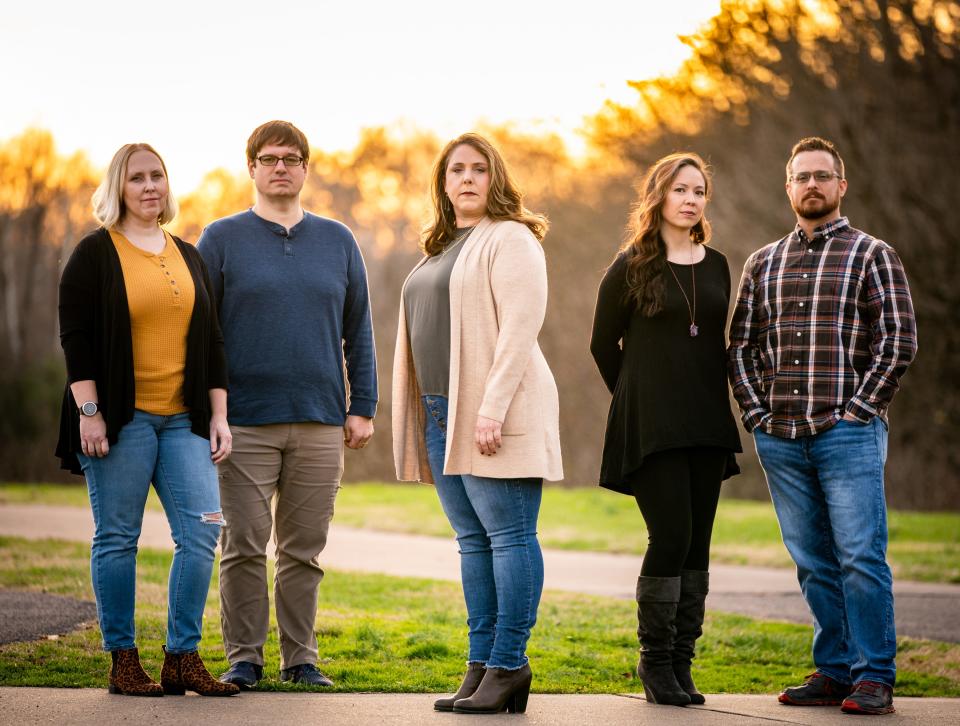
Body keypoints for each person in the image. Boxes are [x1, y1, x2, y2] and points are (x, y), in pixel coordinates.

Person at [728, 137, 917, 716]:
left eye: (822, 176)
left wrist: (860, 411)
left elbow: (899, 341)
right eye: (801, 177)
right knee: (812, 560)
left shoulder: (872, 254)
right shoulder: (763, 262)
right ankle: (835, 669)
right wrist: (757, 415)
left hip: (847, 434)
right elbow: (739, 346)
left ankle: (873, 676)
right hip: (780, 438)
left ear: (841, 186)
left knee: (860, 555)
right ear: (787, 188)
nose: (811, 185)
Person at [198, 120, 377, 690]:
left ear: (305, 168)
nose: (281, 167)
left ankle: (301, 658)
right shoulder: (221, 239)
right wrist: (209, 412)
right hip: (243, 422)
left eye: (291, 158)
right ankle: (243, 658)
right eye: (269, 158)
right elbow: (202, 334)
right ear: (250, 167)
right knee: (243, 547)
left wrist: (363, 404)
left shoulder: (338, 240)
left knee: (304, 552)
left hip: (322, 419)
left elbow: (360, 330)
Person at [55, 143, 239, 697]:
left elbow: (212, 339)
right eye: (137, 178)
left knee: (203, 533)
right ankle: (123, 660)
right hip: (120, 420)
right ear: (119, 188)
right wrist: (90, 412)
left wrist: (219, 416)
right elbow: (77, 339)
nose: (149, 186)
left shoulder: (188, 252)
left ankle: (182, 657)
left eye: (157, 175)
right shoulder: (94, 254)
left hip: (183, 420)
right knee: (117, 538)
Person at [392, 132, 562, 715]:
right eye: (456, 169)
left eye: (479, 169)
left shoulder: (511, 239)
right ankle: (480, 664)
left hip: (494, 413)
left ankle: (509, 663)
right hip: (443, 413)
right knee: (473, 543)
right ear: (442, 181)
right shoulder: (440, 248)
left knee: (510, 537)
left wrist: (490, 407)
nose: (466, 178)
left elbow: (519, 329)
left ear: (496, 179)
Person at [590, 153, 742, 707]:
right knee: (670, 536)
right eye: (680, 189)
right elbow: (602, 345)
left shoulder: (720, 264)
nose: (691, 199)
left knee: (698, 543)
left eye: (699, 190)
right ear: (659, 197)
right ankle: (654, 662)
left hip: (706, 422)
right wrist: (635, 399)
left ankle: (682, 663)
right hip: (651, 426)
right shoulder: (630, 266)